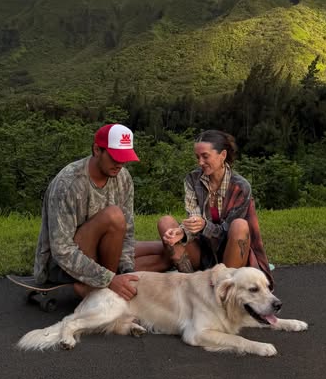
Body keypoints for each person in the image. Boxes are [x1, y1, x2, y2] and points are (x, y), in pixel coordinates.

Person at [134, 129, 273, 287]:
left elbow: (230, 232)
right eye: (197, 157)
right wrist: (183, 231)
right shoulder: (192, 179)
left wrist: (204, 226)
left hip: (231, 253)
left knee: (240, 225)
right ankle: (192, 285)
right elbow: (193, 218)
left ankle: (225, 286)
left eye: (205, 156)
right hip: (202, 251)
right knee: (165, 223)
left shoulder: (240, 186)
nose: (200, 162)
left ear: (223, 155)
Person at [33, 123, 141, 301]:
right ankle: (104, 292)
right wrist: (110, 279)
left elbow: (127, 232)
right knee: (114, 216)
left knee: (161, 252)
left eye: (124, 158)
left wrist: (127, 271)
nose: (120, 164)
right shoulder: (68, 183)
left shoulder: (124, 178)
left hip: (104, 256)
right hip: (63, 266)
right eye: (115, 157)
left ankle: (100, 288)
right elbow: (61, 250)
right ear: (97, 150)